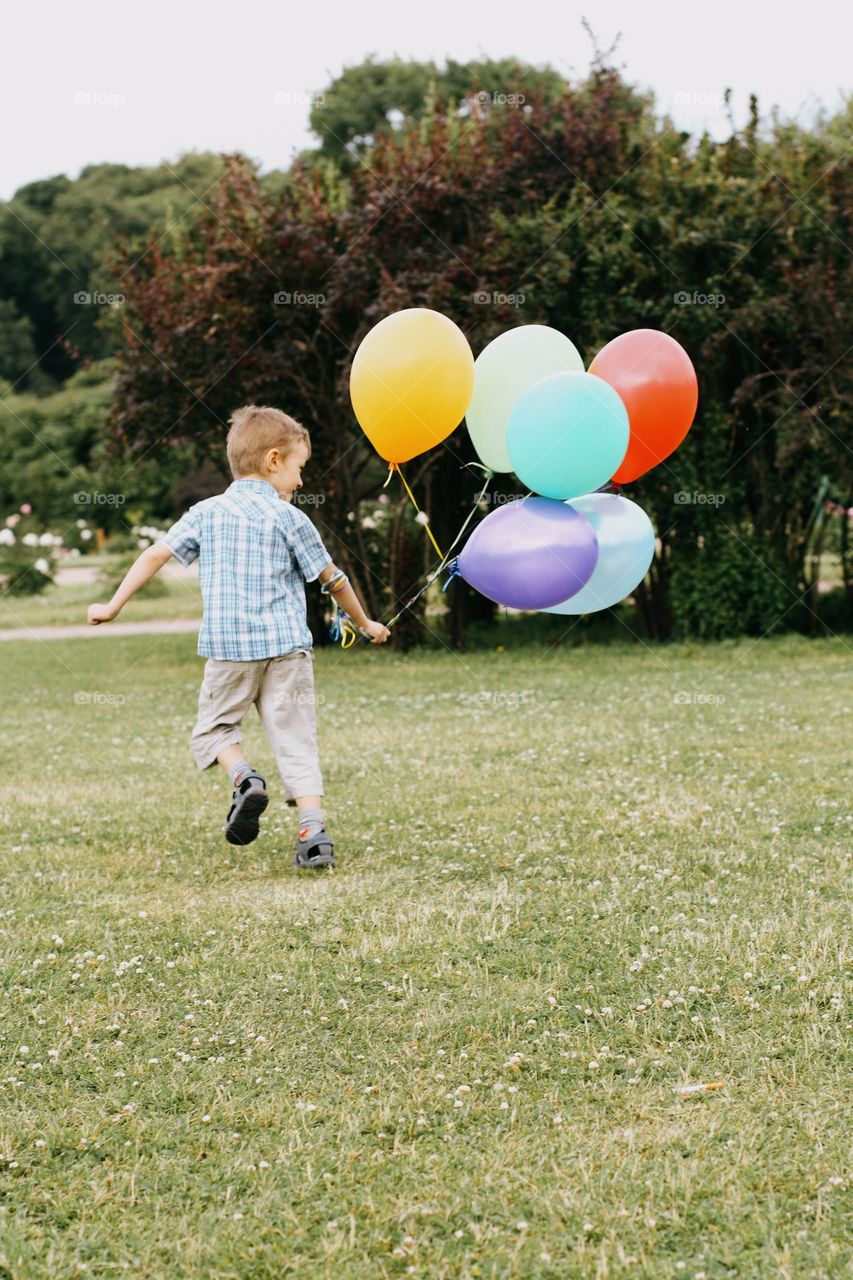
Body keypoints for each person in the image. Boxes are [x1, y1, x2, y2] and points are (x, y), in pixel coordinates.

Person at [87, 404, 390, 868]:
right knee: (295, 739)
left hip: (229, 650)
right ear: (273, 460)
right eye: (299, 469)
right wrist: (366, 623)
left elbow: (155, 555)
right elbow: (335, 580)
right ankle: (313, 836)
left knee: (214, 729)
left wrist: (112, 606)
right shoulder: (291, 519)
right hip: (287, 650)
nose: (301, 482)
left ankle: (245, 777)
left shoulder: (207, 512)